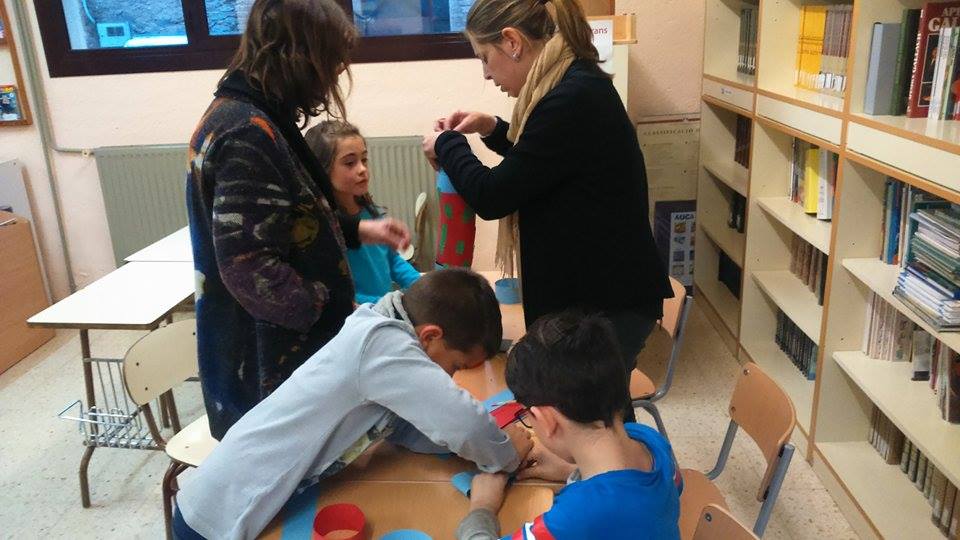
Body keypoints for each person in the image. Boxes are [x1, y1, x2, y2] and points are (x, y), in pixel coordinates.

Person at [421, 0, 673, 417]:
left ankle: (632, 461)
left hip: (608, 301)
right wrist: (492, 128)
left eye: (485, 58)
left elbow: (493, 195)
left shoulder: (571, 97)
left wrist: (449, 145)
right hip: (601, 292)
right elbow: (542, 164)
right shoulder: (573, 84)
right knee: (594, 415)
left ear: (512, 42)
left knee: (593, 421)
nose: (486, 74)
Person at [186, 0, 411, 439]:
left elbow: (284, 220)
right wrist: (335, 310)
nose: (334, 76)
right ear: (299, 55)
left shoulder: (251, 115)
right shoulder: (246, 131)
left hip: (277, 347)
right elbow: (250, 268)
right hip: (269, 364)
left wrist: (358, 230)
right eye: (331, 61)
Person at [173, 269, 533, 540]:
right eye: (455, 365)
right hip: (219, 517)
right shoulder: (383, 345)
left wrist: (472, 447)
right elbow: (463, 423)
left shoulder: (383, 330)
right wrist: (506, 454)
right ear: (430, 335)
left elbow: (407, 428)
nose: (451, 377)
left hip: (232, 501)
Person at [455, 311, 682, 540]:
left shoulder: (576, 516)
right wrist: (572, 470)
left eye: (525, 415)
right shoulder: (650, 440)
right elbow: (653, 498)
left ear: (546, 419)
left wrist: (483, 506)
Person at [306, 120, 422, 304]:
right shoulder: (324, 228)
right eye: (350, 163)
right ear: (322, 169)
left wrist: (421, 285)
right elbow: (339, 291)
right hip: (360, 313)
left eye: (364, 159)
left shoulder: (371, 212)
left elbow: (392, 260)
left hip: (383, 307)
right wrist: (382, 307)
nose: (362, 169)